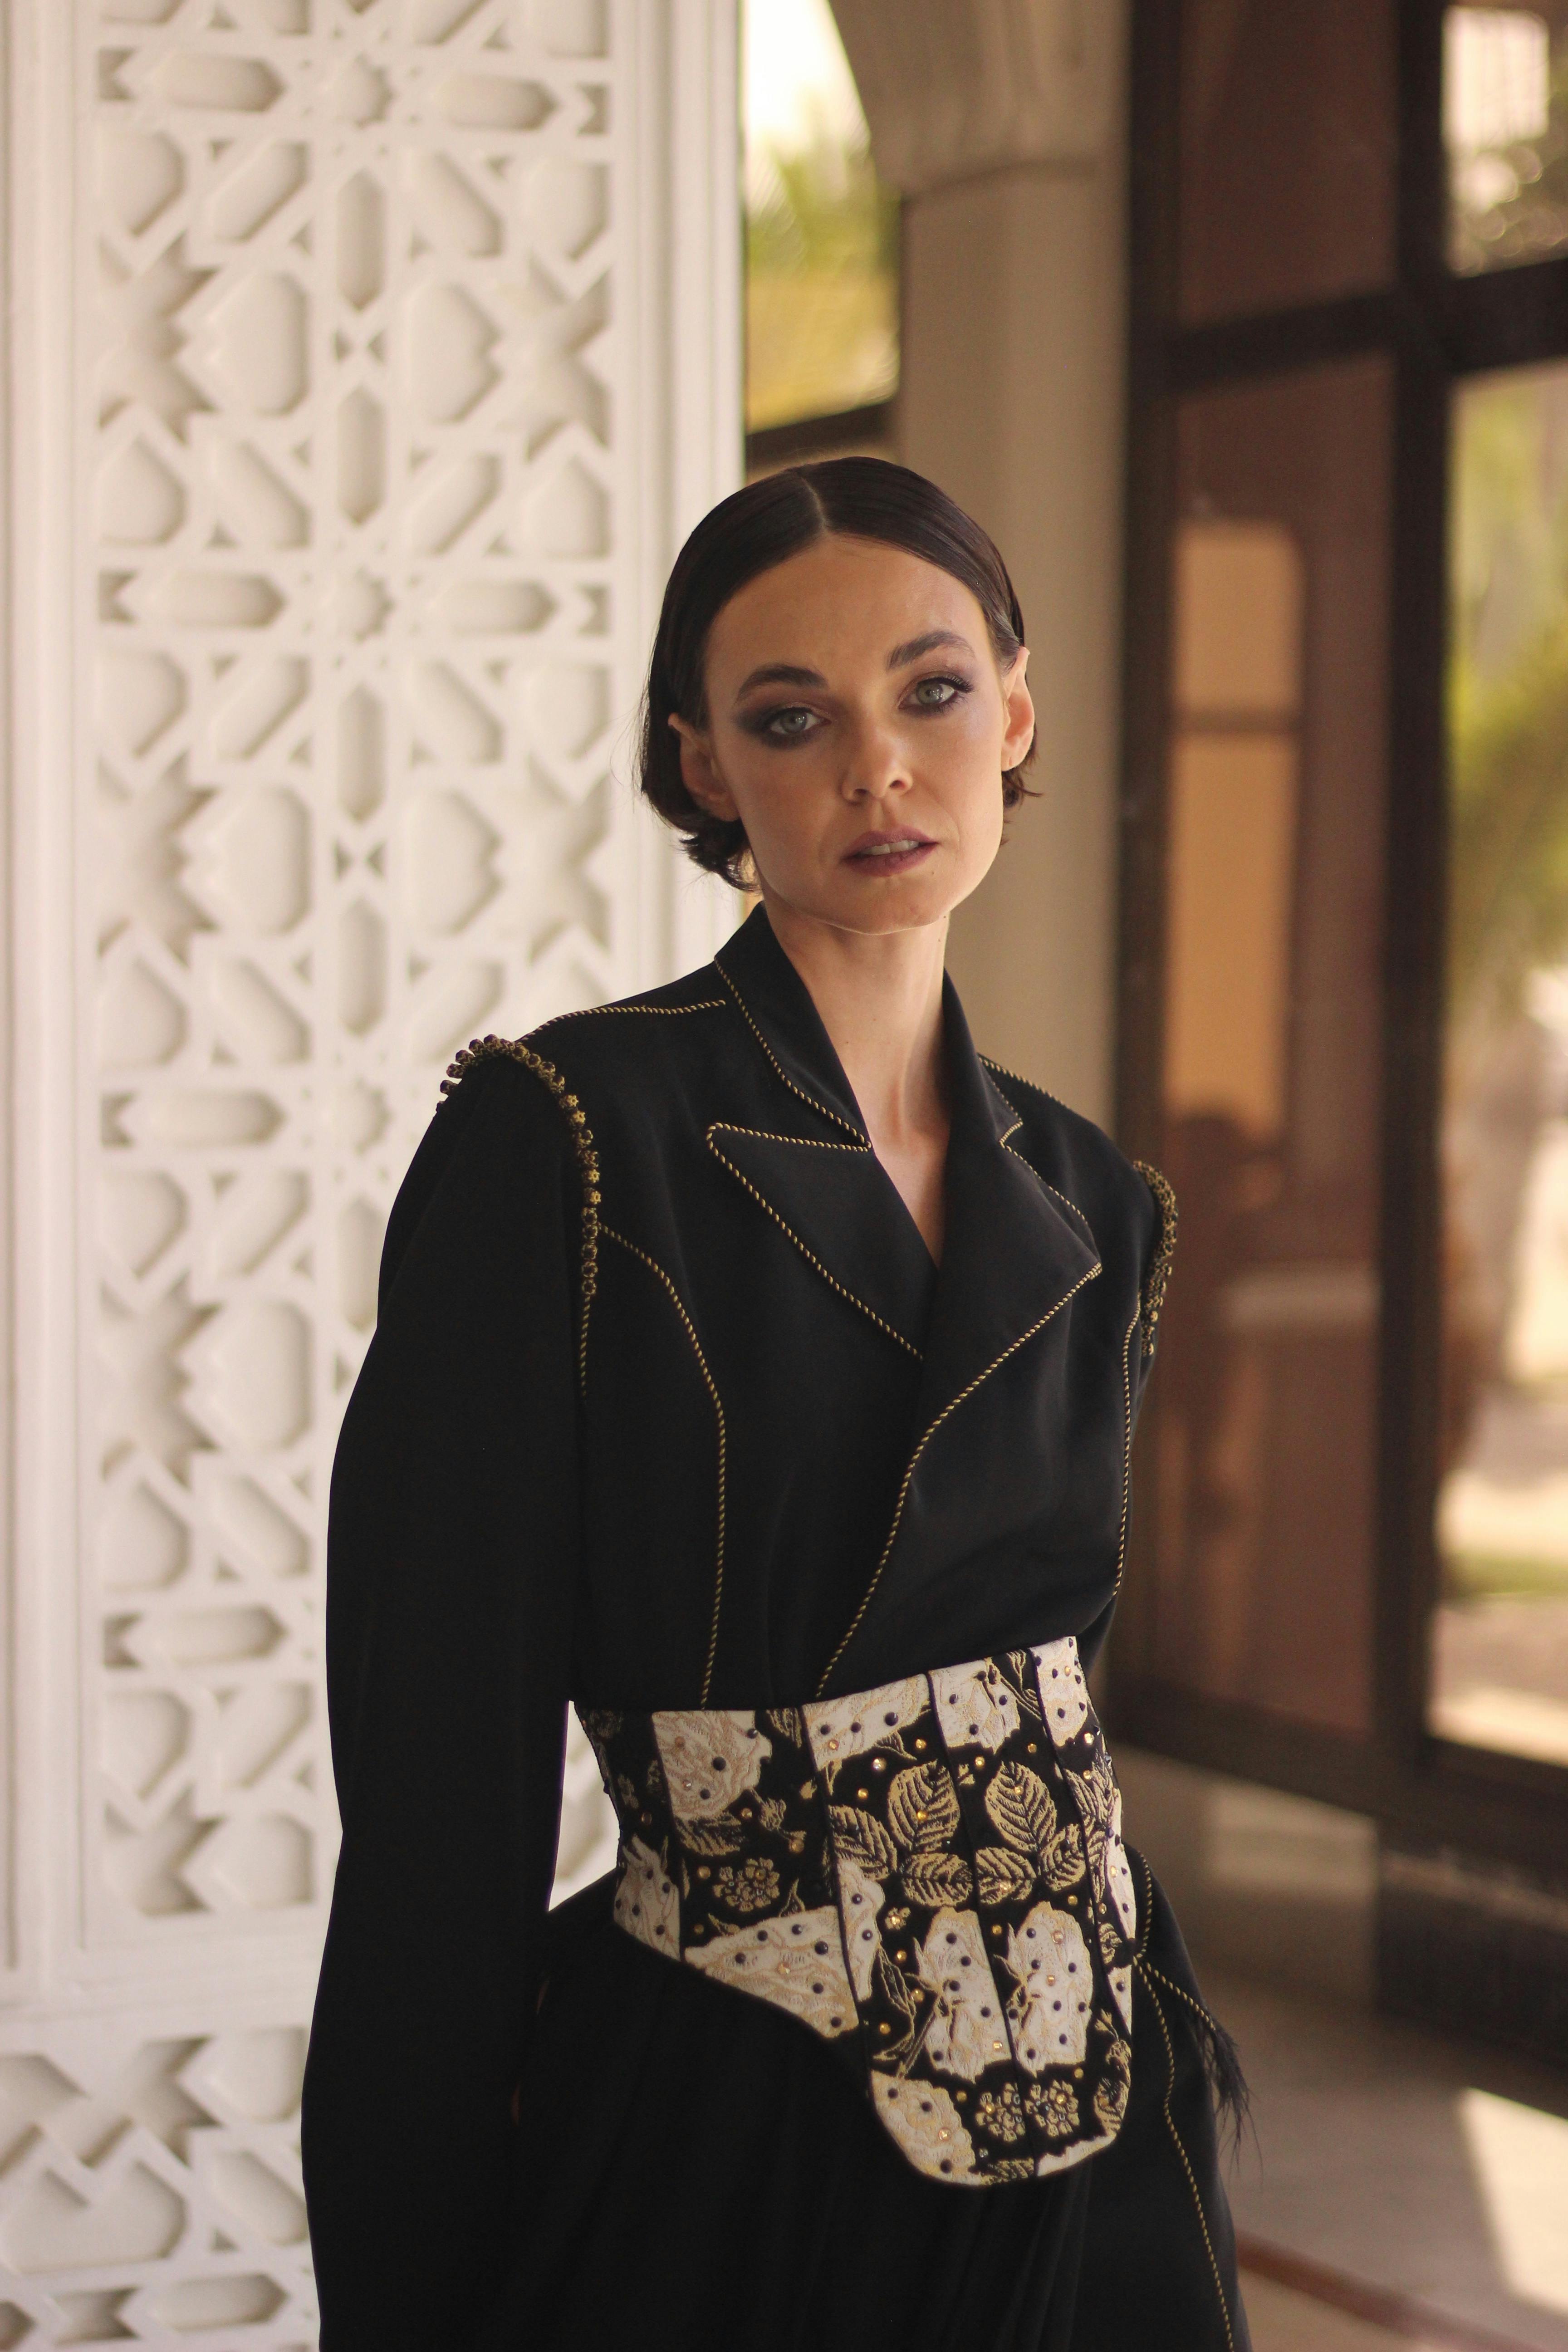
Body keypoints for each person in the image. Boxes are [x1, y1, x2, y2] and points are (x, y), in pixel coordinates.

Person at [302, 457, 1251, 2351]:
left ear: (1017, 710)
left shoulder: (1096, 1197)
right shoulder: (564, 1137)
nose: (878, 770)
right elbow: (437, 1790)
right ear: (705, 767)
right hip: (734, 2108)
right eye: (791, 718)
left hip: (1101, 2107)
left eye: (932, 692)